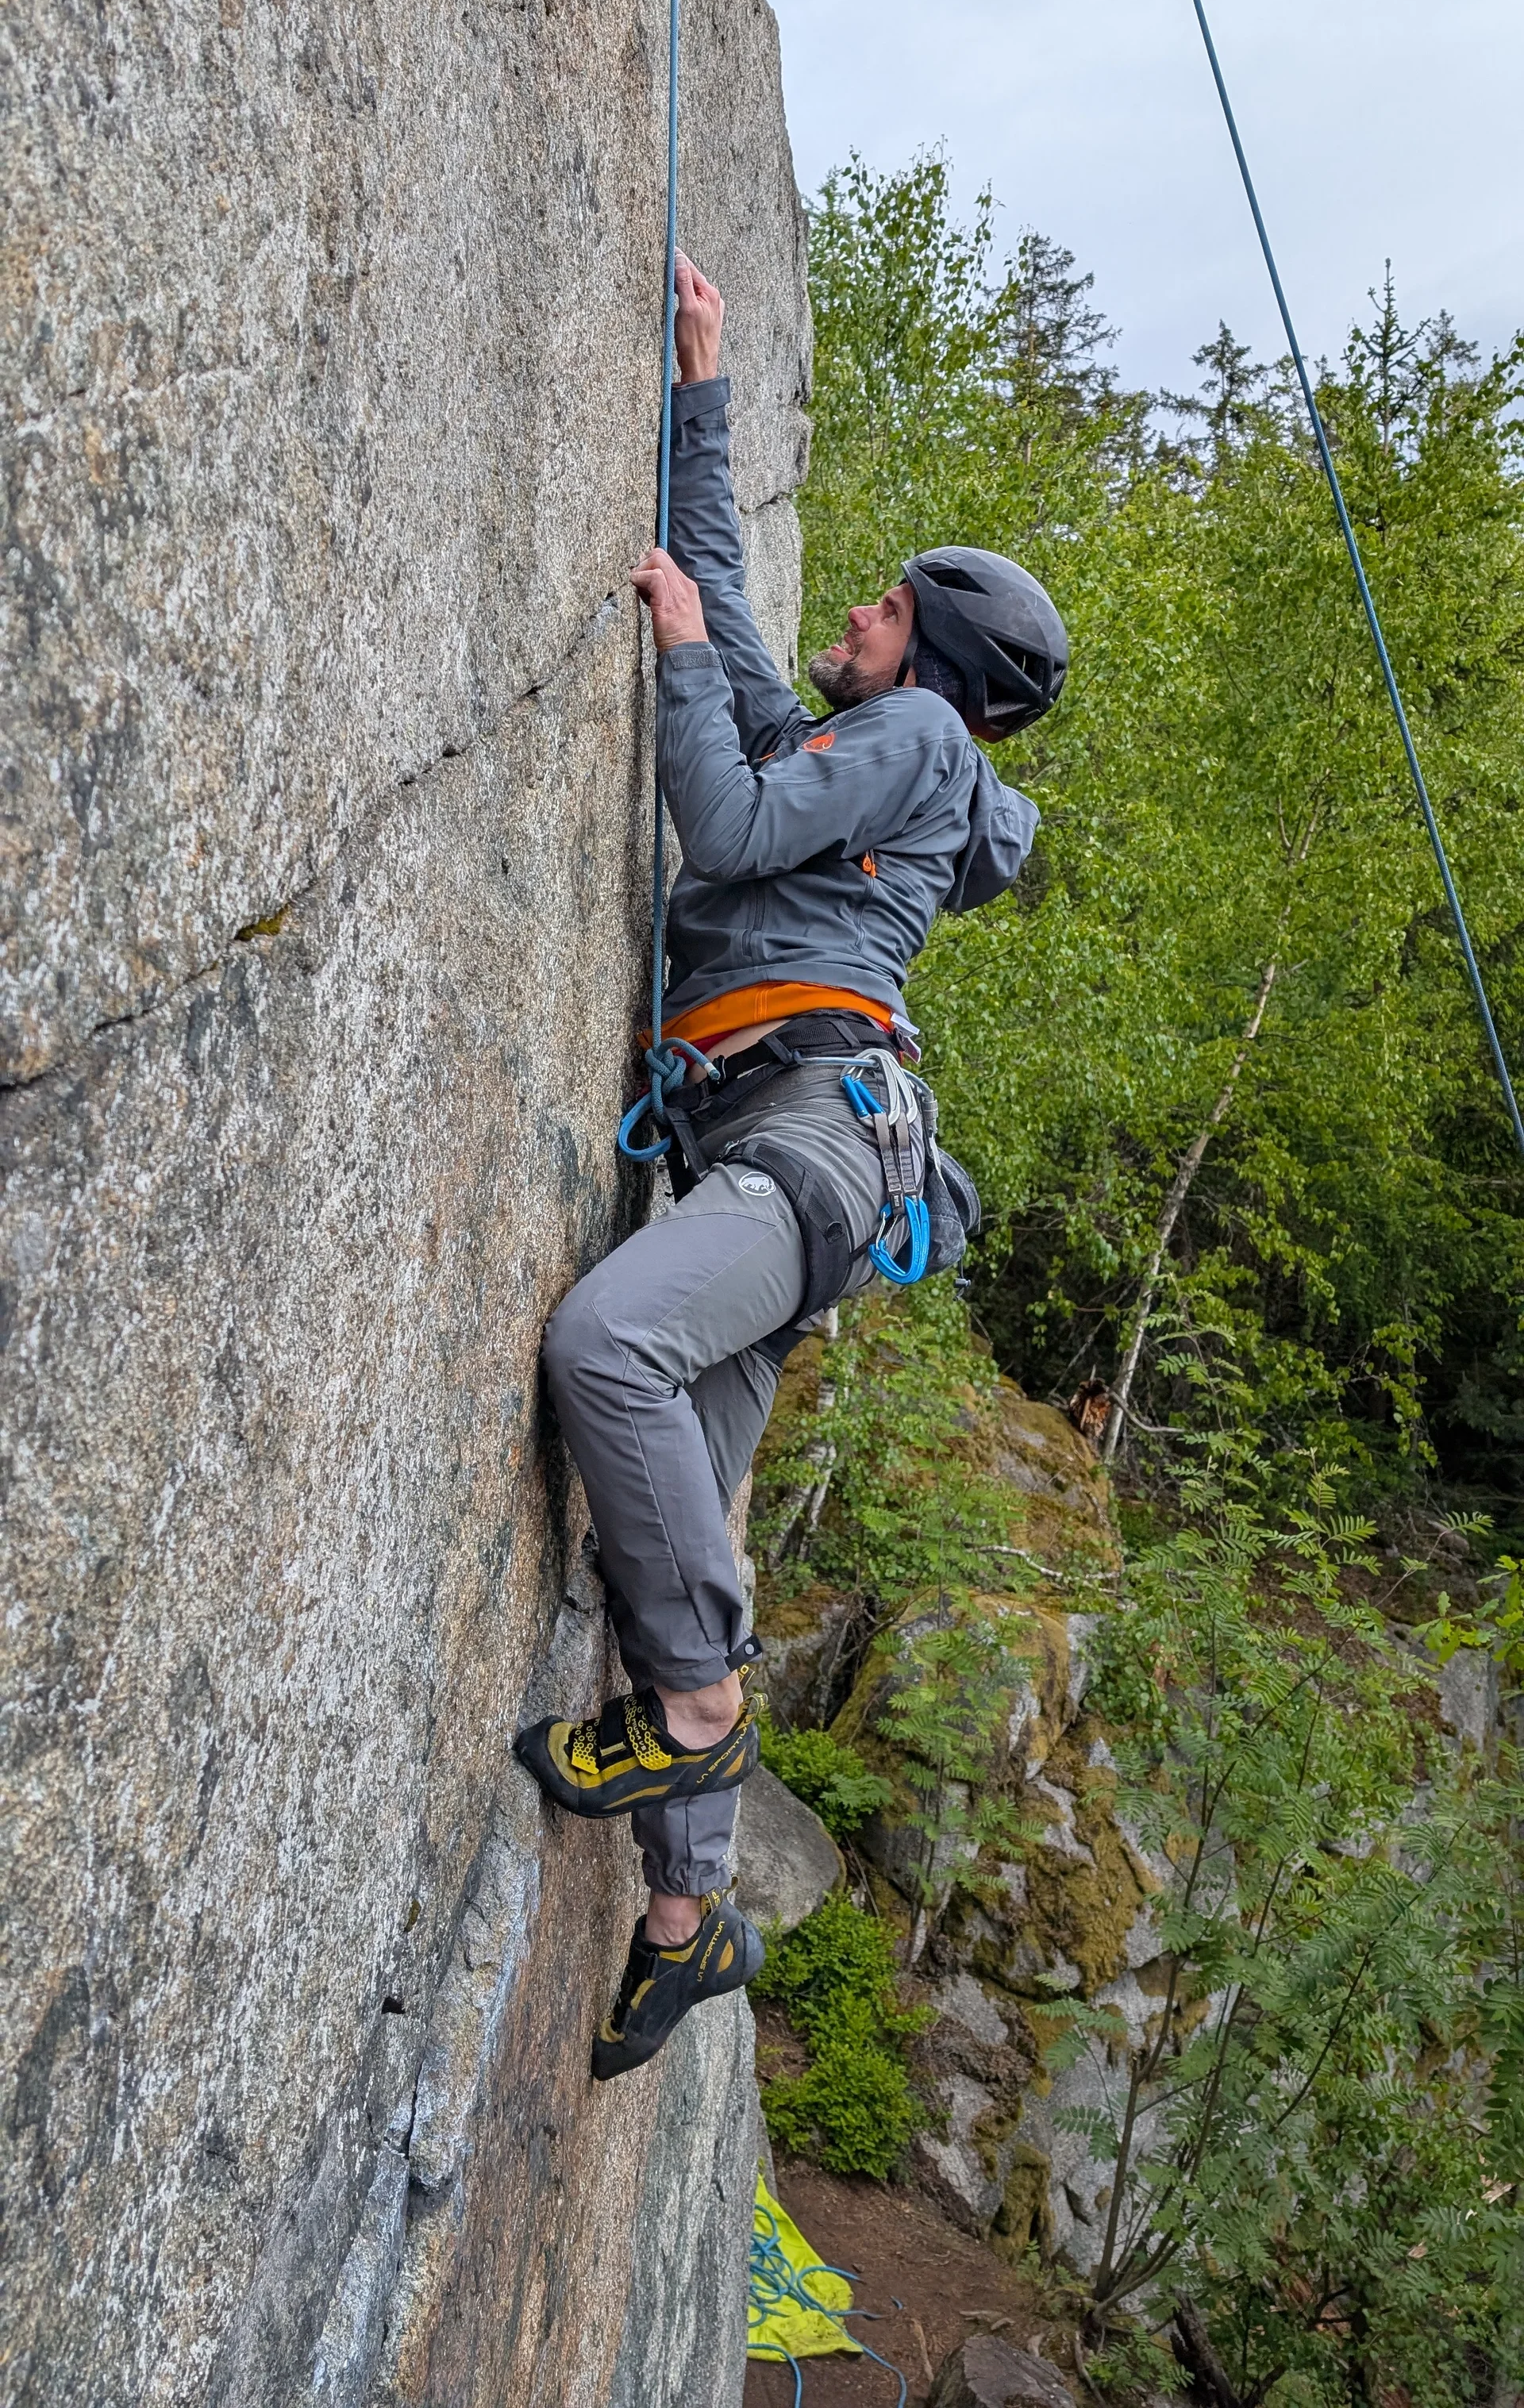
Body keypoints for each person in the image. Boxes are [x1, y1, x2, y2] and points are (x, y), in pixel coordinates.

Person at [514, 254, 1068, 2079]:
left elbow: (727, 799)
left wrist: (674, 655)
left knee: (607, 1352)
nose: (861, 605)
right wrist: (701, 380)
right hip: (813, 1159)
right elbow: (739, 617)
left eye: (891, 604)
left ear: (939, 668)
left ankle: (701, 1703)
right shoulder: (880, 736)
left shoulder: (903, 734)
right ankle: (685, 1918)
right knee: (666, 1525)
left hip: (809, 1145)